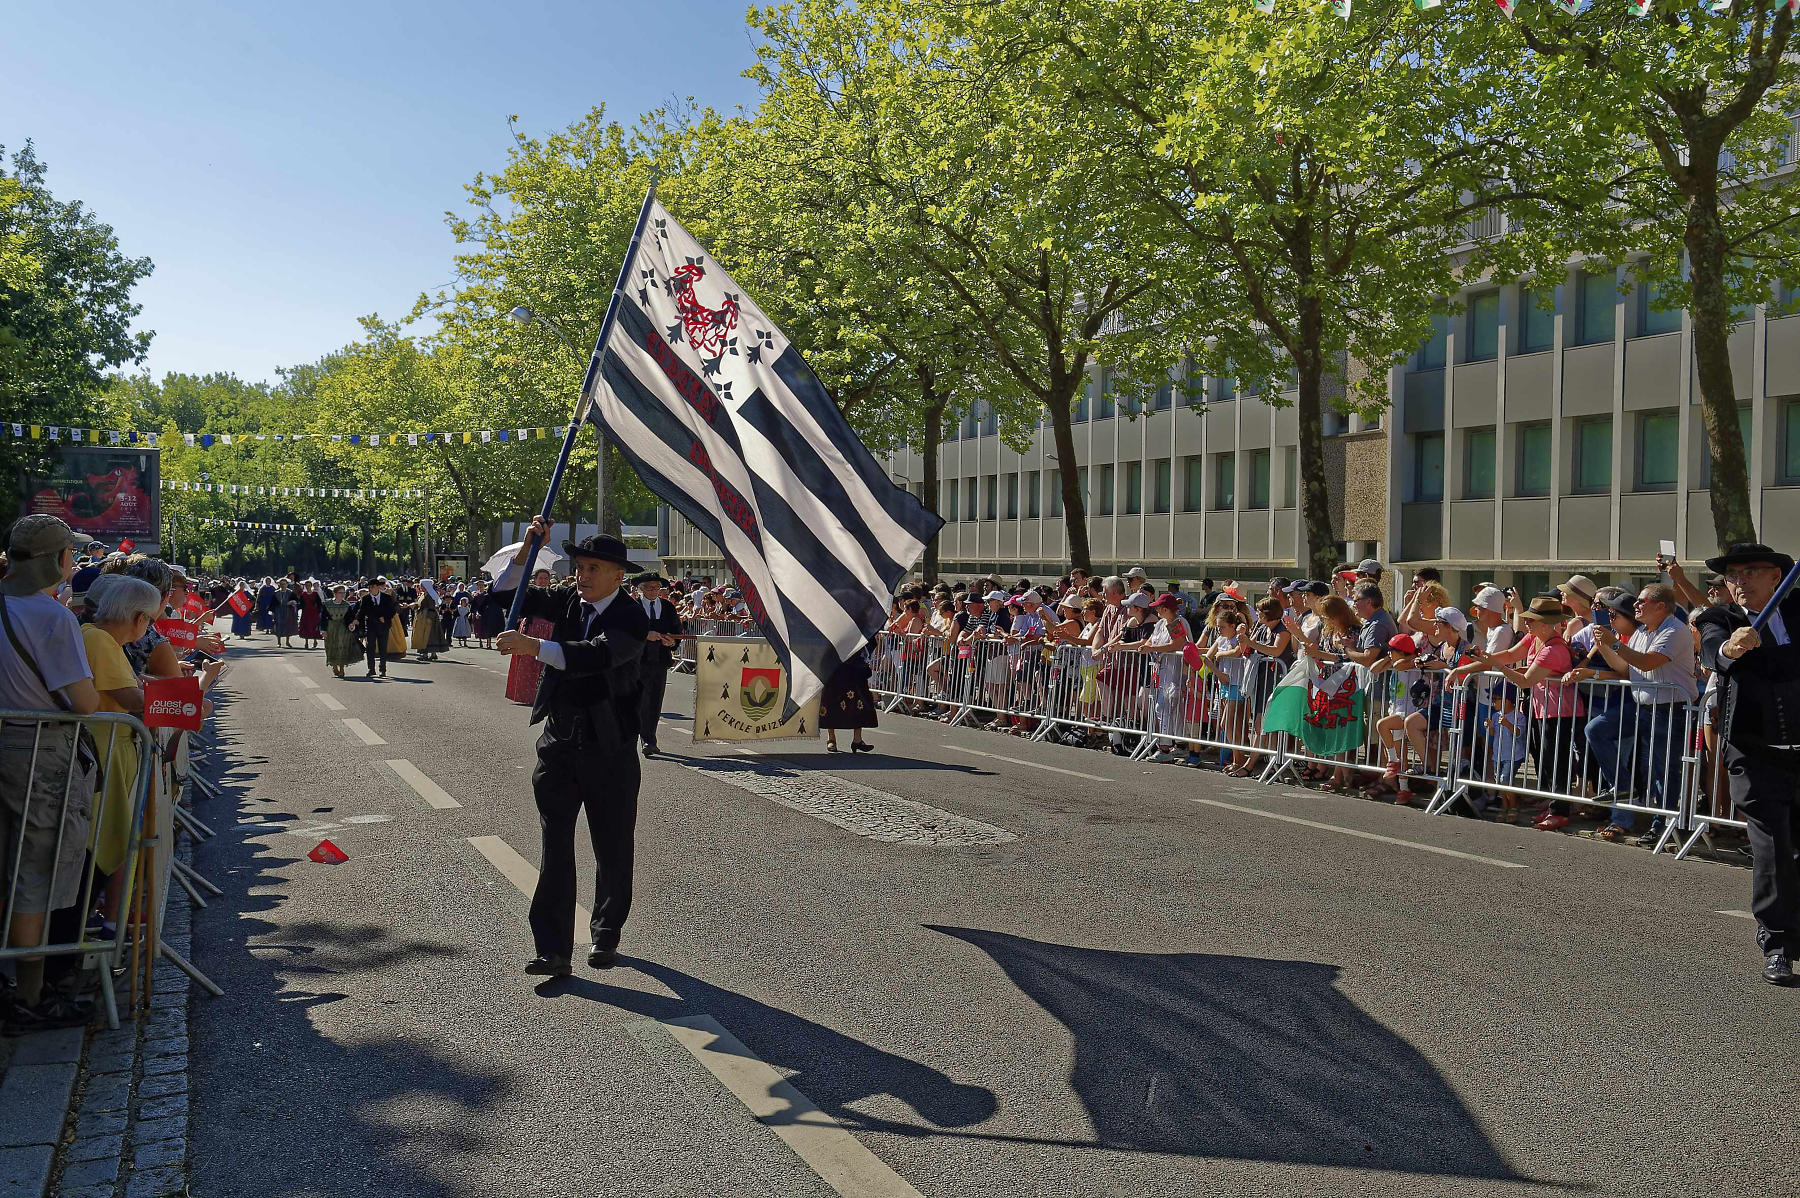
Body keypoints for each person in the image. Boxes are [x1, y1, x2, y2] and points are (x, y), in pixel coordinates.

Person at [491, 518, 649, 977]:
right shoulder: (567, 599)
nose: (582, 575)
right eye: (579, 566)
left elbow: (595, 656)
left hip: (610, 750)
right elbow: (507, 595)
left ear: (619, 575)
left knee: (612, 846)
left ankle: (605, 933)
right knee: (554, 846)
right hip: (559, 745)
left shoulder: (630, 617)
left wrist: (532, 645)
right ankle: (553, 949)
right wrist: (527, 548)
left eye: (593, 568)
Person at [0, 515, 101, 1033]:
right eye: (70, 555)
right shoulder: (51, 617)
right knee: (35, 866)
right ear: (56, 560)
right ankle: (30, 994)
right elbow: (82, 700)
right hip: (38, 752)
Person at [1695, 542, 1800, 986]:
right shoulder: (1721, 618)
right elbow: (1713, 652)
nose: (1740, 582)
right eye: (1733, 575)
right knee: (1772, 847)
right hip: (1754, 754)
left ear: (1777, 577)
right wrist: (1730, 652)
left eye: (1751, 571)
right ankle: (1778, 943)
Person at [633, 574, 682, 756]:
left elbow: (677, 630)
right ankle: (637, 735)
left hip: (660, 660)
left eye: (656, 588)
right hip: (638, 660)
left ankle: (649, 739)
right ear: (642, 589)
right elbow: (627, 630)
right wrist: (645, 635)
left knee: (655, 700)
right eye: (649, 588)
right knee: (639, 700)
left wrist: (672, 642)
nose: (653, 591)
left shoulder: (668, 607)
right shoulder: (634, 607)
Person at [821, 644, 879, 752]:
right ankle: (831, 738)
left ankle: (857, 739)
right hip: (834, 659)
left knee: (859, 699)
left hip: (854, 660)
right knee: (831, 700)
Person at [356, 577, 399, 679]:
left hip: (383, 626)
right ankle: (371, 669)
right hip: (371, 626)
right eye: (369, 587)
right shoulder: (365, 599)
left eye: (373, 586)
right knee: (370, 647)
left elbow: (392, 611)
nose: (371, 588)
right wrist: (356, 620)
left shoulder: (386, 598)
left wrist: (385, 618)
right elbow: (361, 612)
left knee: (383, 647)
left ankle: (382, 669)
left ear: (378, 587)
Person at [321, 584, 360, 678]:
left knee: (342, 646)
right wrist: (323, 630)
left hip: (342, 627)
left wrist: (352, 623)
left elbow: (349, 617)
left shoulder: (346, 605)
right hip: (331, 627)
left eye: (344, 593)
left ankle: (342, 668)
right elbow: (323, 618)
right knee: (331, 646)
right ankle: (334, 666)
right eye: (340, 593)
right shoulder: (327, 604)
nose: (342, 595)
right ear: (335, 593)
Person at [298, 579, 324, 649]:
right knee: (305, 626)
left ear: (311, 586)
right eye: (306, 586)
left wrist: (318, 611)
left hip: (314, 613)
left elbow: (319, 603)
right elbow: (301, 604)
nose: (308, 587)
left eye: (309, 585)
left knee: (314, 626)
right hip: (306, 612)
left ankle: (315, 641)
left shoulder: (315, 594)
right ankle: (306, 642)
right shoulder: (303, 594)